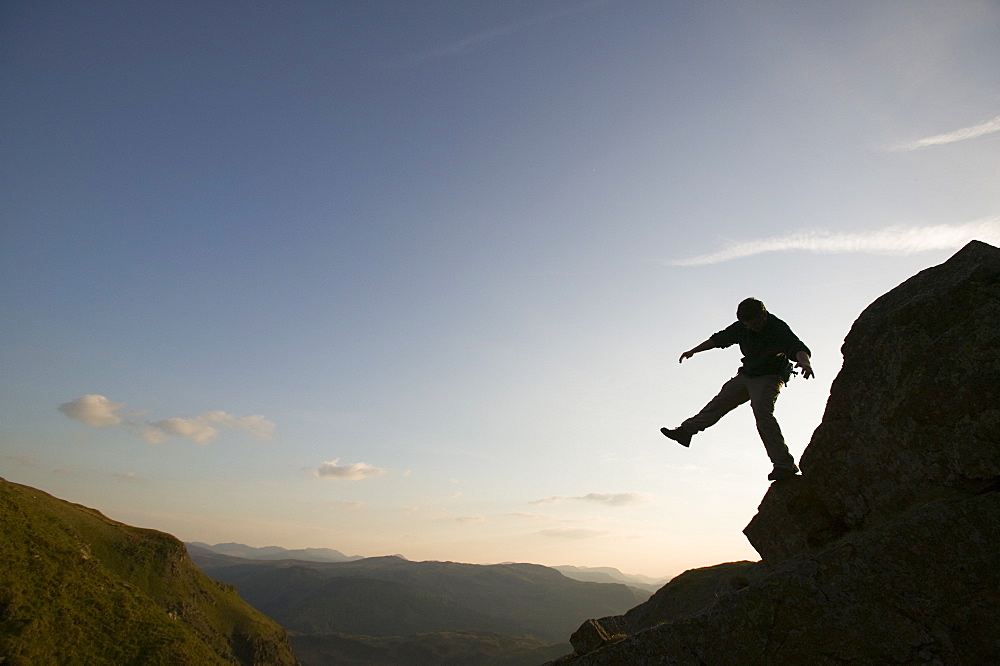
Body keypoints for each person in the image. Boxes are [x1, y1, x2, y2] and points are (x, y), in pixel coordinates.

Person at [660, 297, 813, 481]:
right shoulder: (741, 327)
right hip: (747, 374)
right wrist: (694, 350)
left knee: (762, 414)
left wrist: (804, 362)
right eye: (748, 325)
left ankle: (784, 465)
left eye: (755, 323)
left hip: (770, 377)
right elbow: (719, 339)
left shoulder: (777, 327)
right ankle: (685, 432)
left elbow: (796, 347)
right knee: (720, 402)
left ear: (763, 314)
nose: (752, 327)